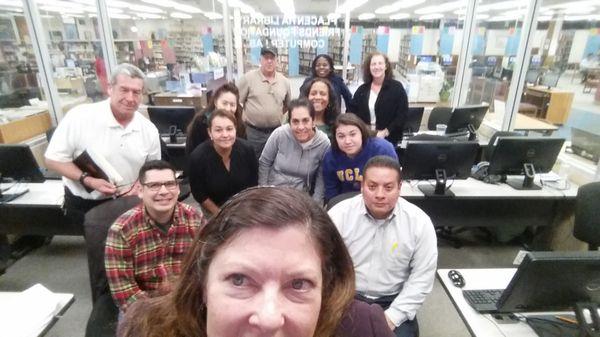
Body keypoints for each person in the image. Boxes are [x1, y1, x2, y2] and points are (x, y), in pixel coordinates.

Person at [117, 186, 356, 337]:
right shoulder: (144, 330)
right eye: (239, 280)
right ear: (202, 287)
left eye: (299, 284)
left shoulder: (366, 328)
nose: (269, 319)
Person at [328, 156, 438, 337]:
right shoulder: (339, 215)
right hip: (348, 296)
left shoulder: (419, 223)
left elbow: (422, 277)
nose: (380, 194)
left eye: (388, 187)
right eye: (372, 187)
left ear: (399, 188)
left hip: (393, 300)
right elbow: (323, 264)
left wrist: (392, 317)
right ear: (362, 185)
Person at [45, 63, 161, 225]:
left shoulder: (148, 129)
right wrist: (88, 180)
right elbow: (53, 159)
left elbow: (152, 168)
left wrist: (140, 186)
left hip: (129, 202)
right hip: (87, 204)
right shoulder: (80, 117)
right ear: (110, 88)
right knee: (98, 247)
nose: (130, 98)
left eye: (136, 92)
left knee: (133, 247)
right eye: (124, 90)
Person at [104, 160, 205, 312]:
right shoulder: (122, 230)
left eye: (170, 184)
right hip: (144, 308)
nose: (164, 191)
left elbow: (206, 268)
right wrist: (162, 313)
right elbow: (125, 293)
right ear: (140, 190)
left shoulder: (195, 218)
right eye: (154, 185)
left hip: (187, 301)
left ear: (178, 189)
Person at [259, 98, 330, 204]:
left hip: (300, 197)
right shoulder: (280, 134)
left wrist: (317, 204)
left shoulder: (323, 143)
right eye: (295, 121)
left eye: (305, 120)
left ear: (313, 121)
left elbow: (322, 176)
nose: (301, 127)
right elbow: (264, 162)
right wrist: (263, 192)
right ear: (289, 122)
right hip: (273, 193)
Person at [188, 110, 258, 215]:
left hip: (244, 207)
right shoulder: (198, 157)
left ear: (236, 130)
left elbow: (253, 184)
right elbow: (199, 194)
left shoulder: (248, 150)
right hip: (214, 210)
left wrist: (246, 211)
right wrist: (220, 215)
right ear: (210, 132)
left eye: (229, 129)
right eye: (218, 130)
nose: (225, 135)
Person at [322, 113, 398, 202]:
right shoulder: (330, 157)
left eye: (352, 134)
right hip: (346, 204)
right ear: (335, 138)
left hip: (379, 200)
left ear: (362, 133)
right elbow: (332, 193)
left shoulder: (383, 149)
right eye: (341, 136)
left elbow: (393, 183)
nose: (347, 141)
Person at [238, 47, 291, 158]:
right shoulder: (248, 78)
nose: (269, 61)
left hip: (276, 132)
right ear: (260, 60)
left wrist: (274, 114)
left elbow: (287, 105)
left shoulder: (284, 82)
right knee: (253, 162)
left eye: (272, 58)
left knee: (275, 162)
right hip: (254, 133)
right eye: (266, 58)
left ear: (277, 60)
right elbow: (237, 102)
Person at [348, 52, 409, 146]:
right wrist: (362, 129)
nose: (376, 67)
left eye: (380, 63)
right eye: (373, 64)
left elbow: (402, 114)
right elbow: (350, 112)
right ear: (369, 67)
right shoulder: (362, 90)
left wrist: (386, 131)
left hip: (389, 138)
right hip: (365, 137)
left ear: (386, 66)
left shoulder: (397, 87)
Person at [185, 82, 245, 156]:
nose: (228, 108)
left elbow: (243, 148)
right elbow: (192, 150)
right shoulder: (201, 121)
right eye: (224, 103)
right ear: (216, 102)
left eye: (232, 105)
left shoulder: (239, 123)